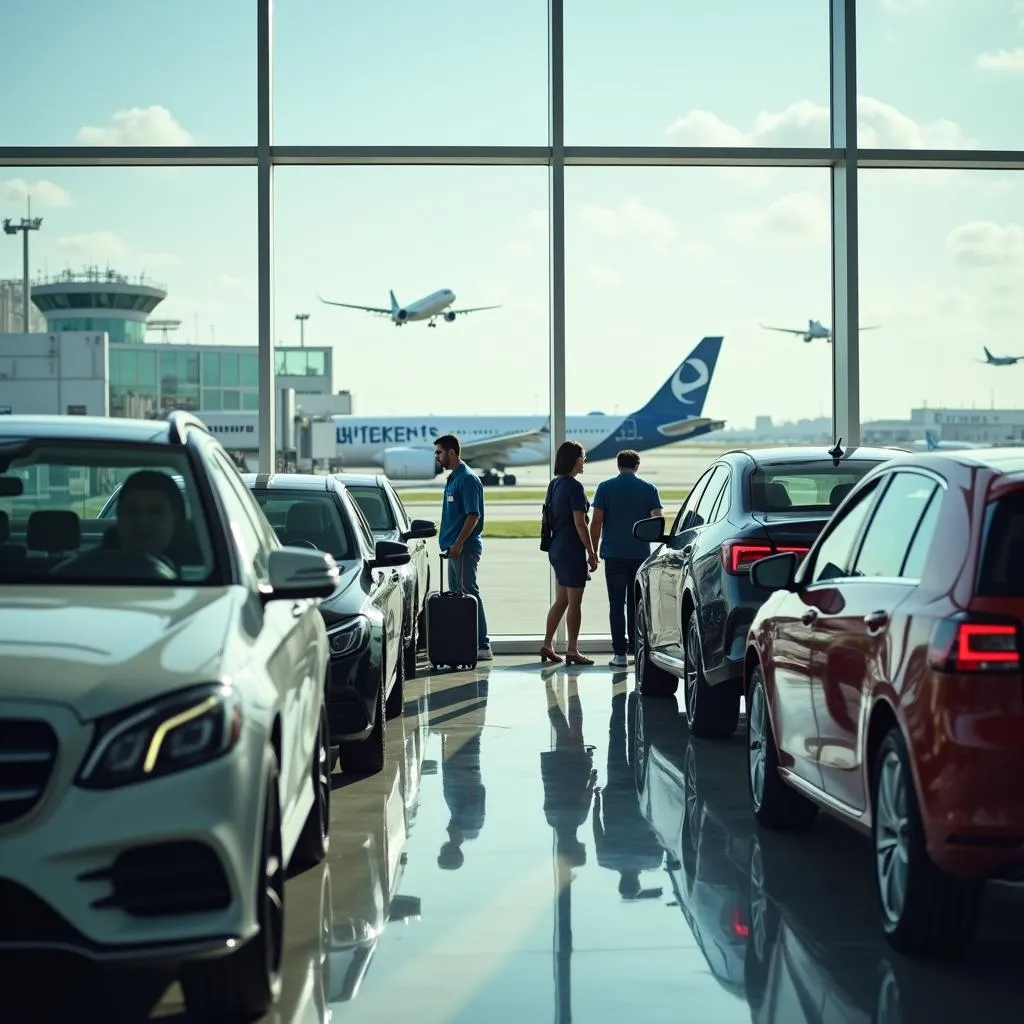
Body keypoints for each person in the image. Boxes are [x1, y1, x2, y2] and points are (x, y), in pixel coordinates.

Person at [589, 449, 663, 667]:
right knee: (636, 603)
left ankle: (619, 654)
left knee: (616, 604)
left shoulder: (605, 487)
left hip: (613, 554)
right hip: (639, 554)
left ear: (618, 465)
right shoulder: (649, 488)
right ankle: (636, 648)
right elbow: (657, 520)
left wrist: (592, 552)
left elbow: (596, 523)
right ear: (637, 466)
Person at [539, 440, 598, 666]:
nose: (584, 462)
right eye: (583, 458)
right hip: (571, 549)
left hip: (556, 547)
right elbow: (580, 523)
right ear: (574, 460)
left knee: (562, 599)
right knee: (575, 603)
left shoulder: (555, 484)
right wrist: (592, 553)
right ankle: (572, 650)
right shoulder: (574, 487)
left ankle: (547, 644)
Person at [434, 433, 492, 661]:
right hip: (453, 548)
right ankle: (466, 643)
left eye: (439, 452)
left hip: (464, 547)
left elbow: (473, 514)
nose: (436, 457)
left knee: (469, 593)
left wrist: (458, 542)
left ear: (451, 452)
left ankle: (482, 645)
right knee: (458, 596)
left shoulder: (467, 479)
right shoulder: (453, 478)